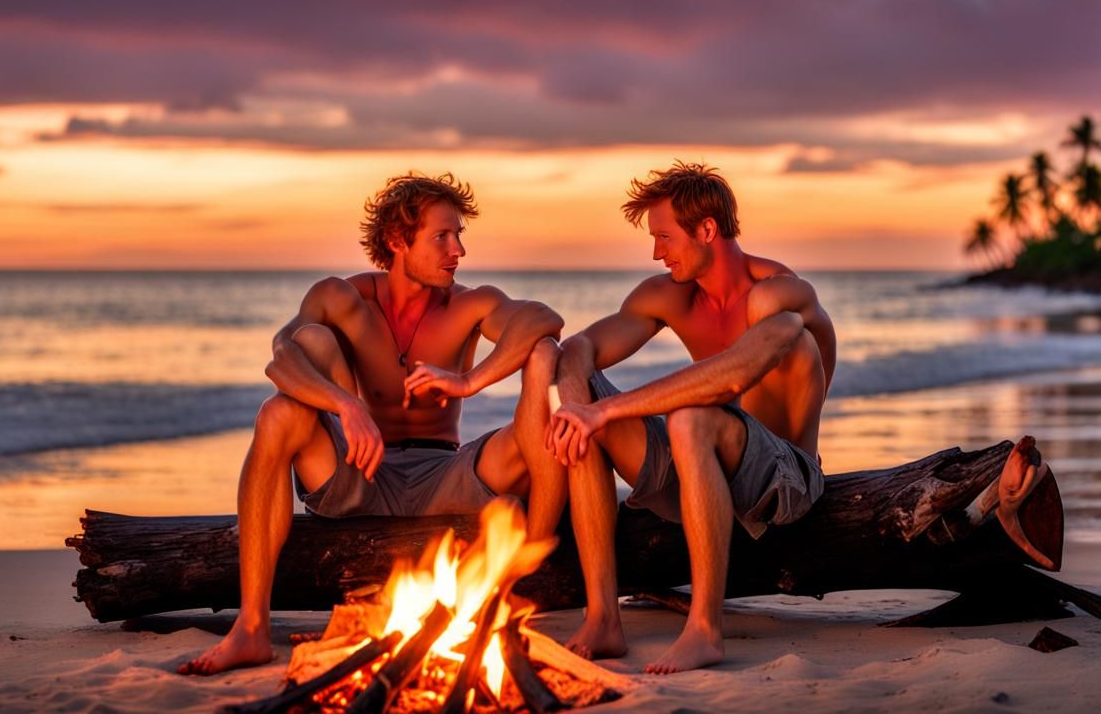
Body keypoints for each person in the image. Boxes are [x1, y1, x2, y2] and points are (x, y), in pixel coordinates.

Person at [180, 172, 566, 675]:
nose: (458, 251)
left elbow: (543, 319)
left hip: (445, 475)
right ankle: (251, 627)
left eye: (459, 235)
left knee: (543, 354)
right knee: (283, 401)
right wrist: (347, 405)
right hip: (362, 469)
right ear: (397, 240)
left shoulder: (470, 304)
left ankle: (528, 572)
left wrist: (469, 381)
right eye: (442, 237)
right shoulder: (343, 299)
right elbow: (282, 359)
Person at [547, 161, 835, 674]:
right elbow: (579, 347)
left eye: (664, 237)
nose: (656, 252)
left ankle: (705, 630)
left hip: (783, 481)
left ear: (706, 230)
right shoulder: (670, 296)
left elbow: (732, 377)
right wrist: (575, 407)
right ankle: (603, 619)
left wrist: (604, 410)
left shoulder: (777, 292)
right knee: (584, 402)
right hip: (701, 468)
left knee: (686, 419)